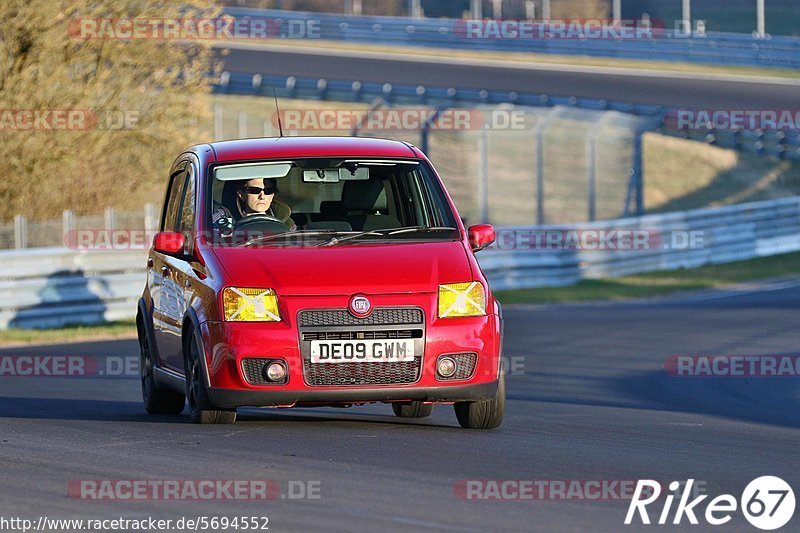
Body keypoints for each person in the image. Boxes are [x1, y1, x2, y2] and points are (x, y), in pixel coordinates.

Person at [212, 177, 296, 235]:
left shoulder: (285, 220)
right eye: (254, 190)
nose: (262, 197)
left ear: (272, 195)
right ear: (241, 194)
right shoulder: (222, 218)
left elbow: (295, 247)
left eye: (268, 191)